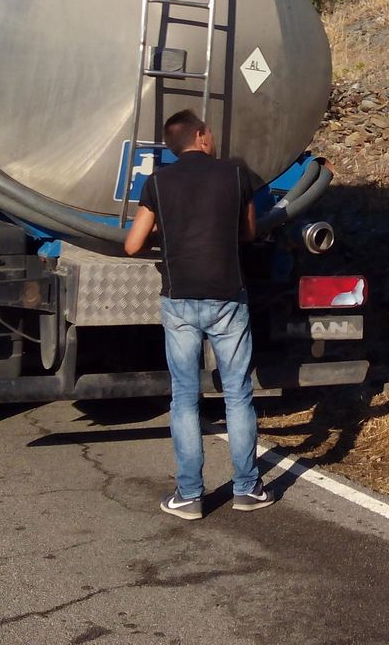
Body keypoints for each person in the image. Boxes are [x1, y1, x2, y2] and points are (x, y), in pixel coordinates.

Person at [124, 109, 272, 520]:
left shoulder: (157, 182)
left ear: (173, 146)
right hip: (227, 298)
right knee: (238, 394)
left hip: (180, 299)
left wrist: (165, 228)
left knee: (184, 398)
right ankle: (247, 489)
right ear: (202, 136)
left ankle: (189, 496)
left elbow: (133, 245)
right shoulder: (235, 176)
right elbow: (248, 233)